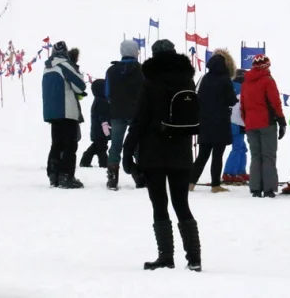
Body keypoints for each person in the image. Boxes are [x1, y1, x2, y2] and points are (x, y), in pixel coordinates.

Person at [122, 39, 201, 272]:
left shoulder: (150, 81)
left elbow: (139, 119)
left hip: (154, 151)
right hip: (181, 151)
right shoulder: (188, 80)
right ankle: (194, 258)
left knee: (160, 204)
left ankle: (166, 256)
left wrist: (127, 152)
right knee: (182, 204)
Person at [190, 49, 238, 192]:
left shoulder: (205, 78)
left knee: (203, 155)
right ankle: (215, 185)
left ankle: (190, 183)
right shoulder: (225, 79)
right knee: (218, 154)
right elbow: (231, 100)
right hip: (220, 122)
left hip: (205, 121)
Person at [42, 41, 86, 188]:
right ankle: (66, 176)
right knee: (70, 144)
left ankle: (53, 174)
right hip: (67, 110)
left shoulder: (47, 67)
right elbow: (80, 85)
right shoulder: (65, 65)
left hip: (51, 112)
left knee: (56, 143)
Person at [241, 54, 286, 198]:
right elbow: (275, 102)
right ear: (266, 66)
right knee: (268, 156)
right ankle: (268, 189)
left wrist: (247, 120)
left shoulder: (246, 82)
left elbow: (242, 106)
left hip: (250, 124)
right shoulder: (268, 80)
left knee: (255, 156)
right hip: (266, 123)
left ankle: (255, 188)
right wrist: (281, 120)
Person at [105, 40, 145, 190]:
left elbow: (107, 92)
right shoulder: (142, 70)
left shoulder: (111, 70)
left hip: (117, 112)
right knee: (137, 145)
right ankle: (139, 174)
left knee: (115, 145)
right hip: (136, 113)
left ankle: (112, 178)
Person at [222, 68, 248, 184]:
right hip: (238, 121)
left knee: (241, 147)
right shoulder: (244, 89)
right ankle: (230, 173)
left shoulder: (230, 86)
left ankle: (240, 171)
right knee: (238, 147)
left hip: (230, 120)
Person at [79, 78, 110, 168]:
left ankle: (85, 161)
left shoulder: (99, 100)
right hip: (101, 130)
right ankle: (104, 163)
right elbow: (102, 116)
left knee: (97, 146)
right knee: (101, 148)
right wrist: (105, 126)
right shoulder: (101, 101)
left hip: (98, 130)